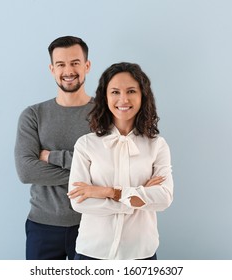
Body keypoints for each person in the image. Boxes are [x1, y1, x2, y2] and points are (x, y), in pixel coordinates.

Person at [68, 62, 174, 260]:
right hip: (92, 253)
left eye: (131, 91)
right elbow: (79, 202)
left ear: (143, 96)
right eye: (115, 92)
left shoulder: (157, 146)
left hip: (140, 253)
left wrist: (107, 192)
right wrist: (138, 199)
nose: (123, 99)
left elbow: (163, 198)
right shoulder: (86, 144)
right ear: (105, 97)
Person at [14, 36, 94, 260]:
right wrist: (87, 170)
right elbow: (26, 171)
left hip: (93, 225)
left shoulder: (105, 114)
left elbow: (110, 169)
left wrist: (51, 157)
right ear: (52, 69)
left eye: (75, 63)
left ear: (87, 66)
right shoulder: (33, 115)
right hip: (43, 226)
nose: (68, 70)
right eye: (61, 64)